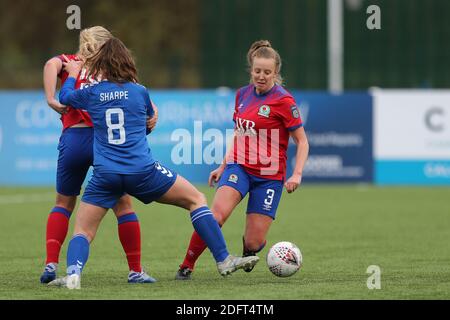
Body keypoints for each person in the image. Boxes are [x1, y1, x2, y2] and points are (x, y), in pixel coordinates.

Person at [47, 37, 259, 289]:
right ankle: (223, 259)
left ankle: (73, 275)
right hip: (142, 171)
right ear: (127, 62)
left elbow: (67, 96)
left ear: (101, 66)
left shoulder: (93, 93)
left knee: (83, 230)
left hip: (106, 174)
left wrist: (71, 74)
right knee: (196, 200)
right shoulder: (140, 91)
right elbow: (146, 124)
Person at [175, 40, 309, 280]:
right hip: (240, 168)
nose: (261, 76)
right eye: (257, 71)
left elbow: (302, 141)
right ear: (251, 69)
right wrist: (224, 165)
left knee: (255, 241)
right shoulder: (242, 95)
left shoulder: (284, 102)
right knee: (215, 216)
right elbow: (239, 132)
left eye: (267, 72)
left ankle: (249, 251)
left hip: (269, 177)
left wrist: (297, 173)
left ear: (275, 73)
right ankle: (187, 265)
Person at [41, 26, 157, 284]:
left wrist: (51, 98)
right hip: (104, 143)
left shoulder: (71, 62)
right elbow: (138, 93)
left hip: (74, 138)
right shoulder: (112, 70)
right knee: (123, 205)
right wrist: (154, 112)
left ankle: (51, 264)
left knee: (63, 203)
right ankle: (135, 269)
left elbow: (50, 63)